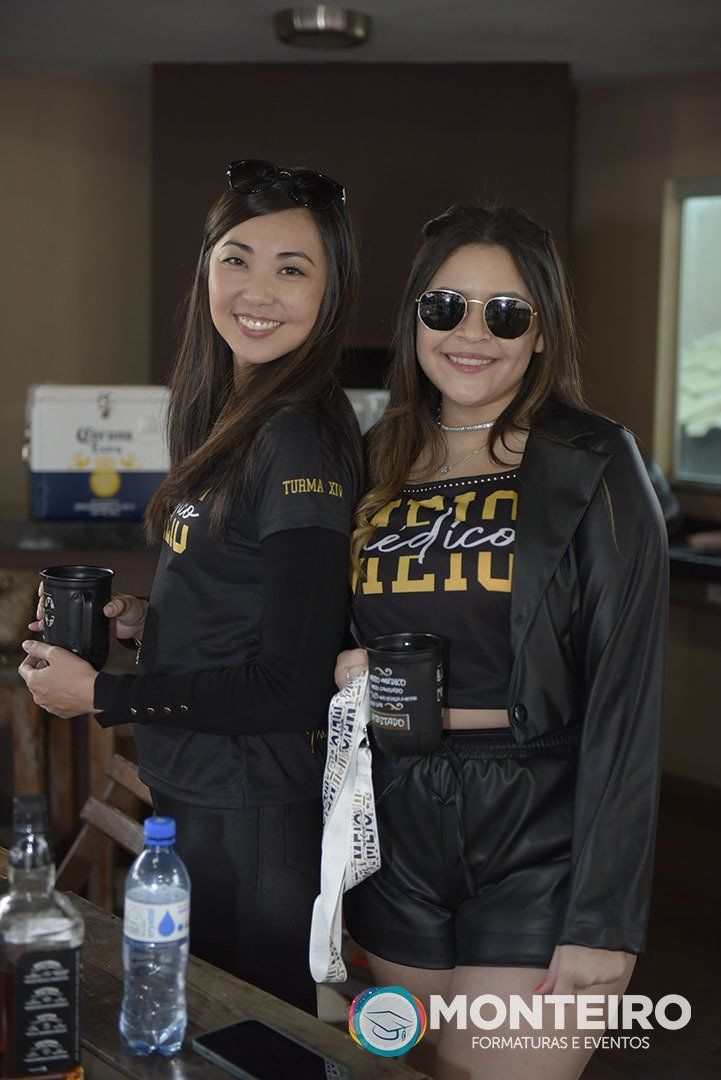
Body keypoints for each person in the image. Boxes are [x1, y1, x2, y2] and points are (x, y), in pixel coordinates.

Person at [20, 159, 363, 1015]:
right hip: (201, 789)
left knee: (248, 1039)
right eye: (236, 259)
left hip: (253, 809)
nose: (257, 290)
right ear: (207, 265)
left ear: (330, 292)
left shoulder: (297, 435)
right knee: (202, 1028)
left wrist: (101, 694)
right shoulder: (237, 413)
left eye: (292, 269)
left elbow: (290, 685)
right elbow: (252, 599)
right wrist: (150, 622)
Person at [334, 203, 668, 1078]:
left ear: (542, 332)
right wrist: (338, 664)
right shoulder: (369, 458)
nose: (471, 334)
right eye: (445, 307)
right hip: (394, 825)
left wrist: (603, 917)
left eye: (506, 313)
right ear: (415, 319)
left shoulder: (593, 460)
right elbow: (305, 622)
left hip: (539, 825)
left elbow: (628, 698)